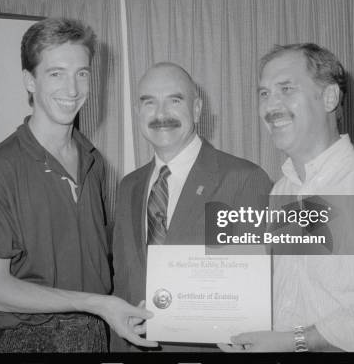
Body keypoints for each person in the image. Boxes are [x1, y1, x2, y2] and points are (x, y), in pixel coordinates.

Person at [0, 17, 156, 353]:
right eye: (56, 74)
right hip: (26, 343)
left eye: (81, 73)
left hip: (94, 336)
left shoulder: (92, 161)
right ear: (29, 81)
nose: (72, 90)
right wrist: (97, 304)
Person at [220, 43, 354, 352]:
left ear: (330, 97)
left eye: (286, 89)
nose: (269, 106)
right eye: (264, 94)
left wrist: (297, 342)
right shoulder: (281, 192)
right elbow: (285, 296)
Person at [111, 62, 273, 352]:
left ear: (197, 109)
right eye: (149, 103)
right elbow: (123, 281)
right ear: (137, 113)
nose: (161, 114)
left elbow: (253, 290)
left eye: (175, 101)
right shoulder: (128, 186)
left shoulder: (243, 180)